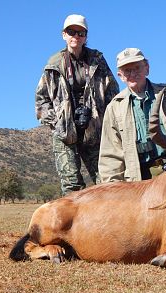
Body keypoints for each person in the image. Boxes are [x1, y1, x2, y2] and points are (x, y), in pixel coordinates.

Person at [35, 14, 119, 195]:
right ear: (63, 34)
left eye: (81, 32)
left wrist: (109, 121)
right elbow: (41, 100)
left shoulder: (97, 61)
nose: (76, 36)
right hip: (65, 133)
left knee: (105, 181)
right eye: (71, 31)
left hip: (94, 130)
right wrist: (57, 120)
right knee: (71, 185)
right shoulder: (53, 65)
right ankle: (74, 223)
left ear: (86, 36)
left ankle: (102, 221)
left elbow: (112, 91)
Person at [98, 48, 166, 182]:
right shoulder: (114, 108)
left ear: (147, 68)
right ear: (120, 75)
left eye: (137, 68)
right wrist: (113, 189)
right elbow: (110, 157)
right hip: (140, 181)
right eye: (127, 71)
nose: (133, 73)